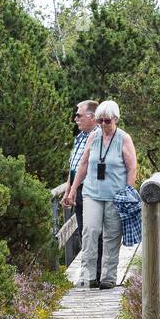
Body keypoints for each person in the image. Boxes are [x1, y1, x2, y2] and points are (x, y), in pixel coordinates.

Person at [63, 100, 138, 288]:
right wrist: (72, 190)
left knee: (112, 235)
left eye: (107, 121)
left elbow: (132, 167)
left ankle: (108, 277)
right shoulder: (93, 137)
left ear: (116, 119)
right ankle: (88, 275)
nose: (104, 125)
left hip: (115, 195)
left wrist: (128, 192)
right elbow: (83, 164)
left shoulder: (123, 138)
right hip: (91, 193)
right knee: (89, 230)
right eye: (100, 121)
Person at [68, 100, 99, 282]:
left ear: (92, 117)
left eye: (79, 115)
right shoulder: (79, 137)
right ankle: (88, 272)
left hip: (90, 189)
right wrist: (68, 191)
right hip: (77, 188)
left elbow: (85, 166)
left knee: (92, 231)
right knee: (82, 230)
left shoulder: (96, 136)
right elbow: (73, 167)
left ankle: (94, 273)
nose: (75, 119)